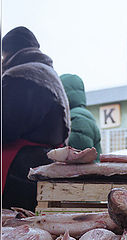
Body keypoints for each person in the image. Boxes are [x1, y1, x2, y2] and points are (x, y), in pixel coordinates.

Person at [2, 26, 71, 211]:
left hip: (19, 172)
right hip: (44, 166)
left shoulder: (22, 76)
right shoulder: (48, 74)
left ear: (8, 52)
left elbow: (6, 126)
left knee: (17, 225)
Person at [60, 74, 102, 162]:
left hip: (86, 174)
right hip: (94, 173)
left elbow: (78, 159)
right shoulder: (84, 116)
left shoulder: (77, 119)